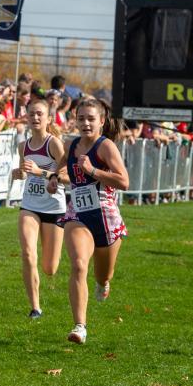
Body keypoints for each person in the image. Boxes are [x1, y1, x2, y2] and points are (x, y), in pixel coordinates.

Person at [47, 98, 128, 345]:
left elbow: (123, 181)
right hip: (78, 214)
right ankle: (80, 326)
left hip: (106, 216)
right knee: (79, 264)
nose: (85, 123)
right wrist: (53, 178)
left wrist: (93, 171)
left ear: (102, 122)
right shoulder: (71, 145)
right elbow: (60, 170)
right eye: (81, 118)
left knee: (103, 275)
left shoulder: (106, 147)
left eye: (91, 119)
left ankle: (103, 283)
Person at [13, 99, 67, 318]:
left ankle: (46, 275)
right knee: (27, 253)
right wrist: (20, 173)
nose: (35, 118)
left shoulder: (53, 144)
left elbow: (65, 177)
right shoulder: (22, 146)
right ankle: (35, 307)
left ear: (48, 119)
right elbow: (26, 171)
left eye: (39, 114)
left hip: (54, 208)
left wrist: (40, 172)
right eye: (31, 114)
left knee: (50, 268)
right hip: (30, 206)